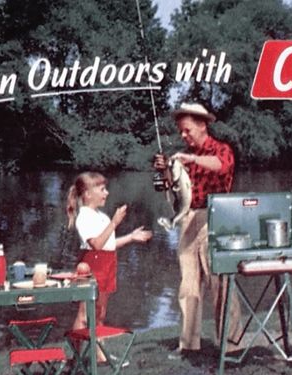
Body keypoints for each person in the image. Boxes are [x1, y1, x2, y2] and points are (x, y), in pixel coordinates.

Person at [153, 102, 242, 359]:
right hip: (187, 218)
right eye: (181, 131)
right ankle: (188, 345)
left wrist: (191, 158)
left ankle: (231, 345)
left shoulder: (221, 150)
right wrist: (165, 171)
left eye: (187, 130)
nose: (183, 136)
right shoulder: (183, 157)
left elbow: (222, 166)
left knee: (221, 285)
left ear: (203, 125)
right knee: (188, 286)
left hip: (216, 218)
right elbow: (174, 190)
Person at [66, 171, 152, 360]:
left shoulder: (101, 216)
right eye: (102, 189)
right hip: (91, 266)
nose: (107, 193)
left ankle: (99, 355)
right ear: (88, 194)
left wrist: (130, 237)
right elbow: (96, 244)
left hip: (106, 265)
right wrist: (115, 222)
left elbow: (108, 244)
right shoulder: (84, 217)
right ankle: (75, 357)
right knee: (84, 315)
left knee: (100, 314)